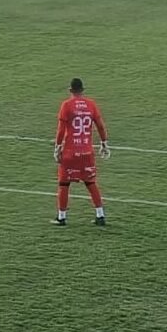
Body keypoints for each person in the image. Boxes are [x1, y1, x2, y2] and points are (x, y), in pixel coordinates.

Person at [52, 78, 109, 227]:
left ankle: (61, 217)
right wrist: (104, 143)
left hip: (70, 152)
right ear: (82, 90)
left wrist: (57, 147)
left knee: (64, 184)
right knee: (91, 183)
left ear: (70, 90)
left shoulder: (66, 105)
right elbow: (101, 126)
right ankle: (100, 215)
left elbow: (61, 129)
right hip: (87, 151)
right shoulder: (91, 104)